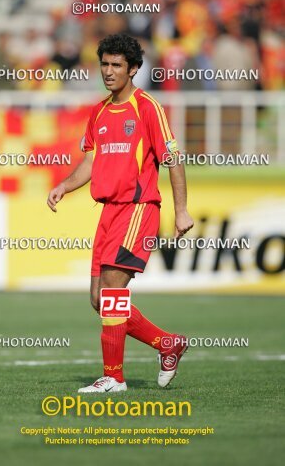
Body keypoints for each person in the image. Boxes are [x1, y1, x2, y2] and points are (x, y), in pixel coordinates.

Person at [47, 34, 194, 393]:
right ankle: (167, 343)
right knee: (101, 300)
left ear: (134, 70)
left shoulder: (147, 108)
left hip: (138, 209)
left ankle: (113, 377)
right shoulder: (98, 112)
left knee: (114, 291)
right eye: (104, 64)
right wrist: (65, 185)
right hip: (109, 212)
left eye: (117, 65)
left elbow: (172, 160)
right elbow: (90, 161)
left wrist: (182, 210)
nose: (109, 71)